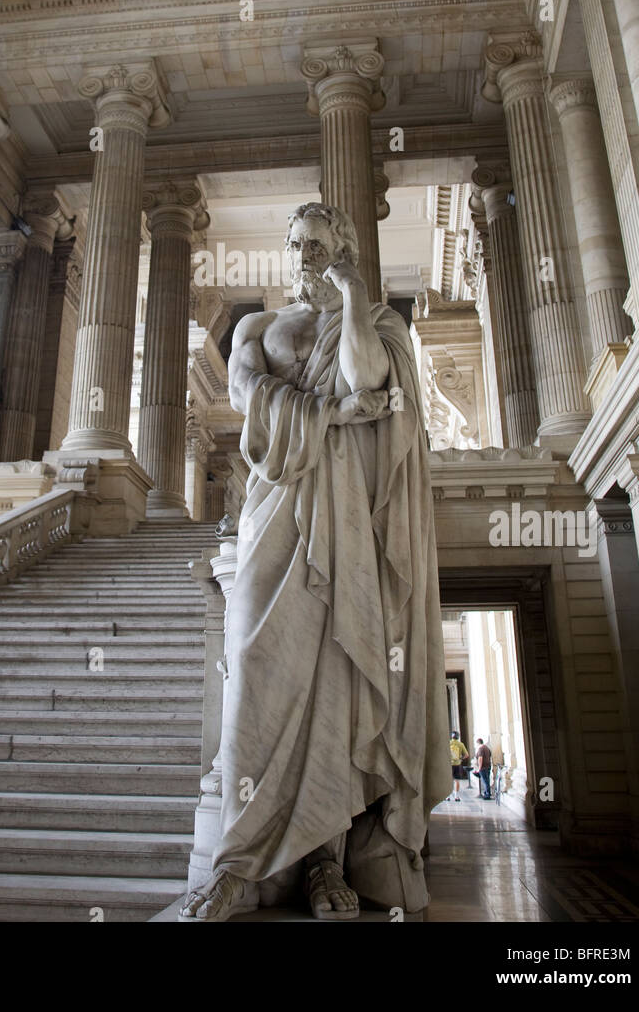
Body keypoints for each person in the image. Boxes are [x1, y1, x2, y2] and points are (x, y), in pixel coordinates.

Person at [180, 202, 449, 922]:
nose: (303, 256)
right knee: (256, 676)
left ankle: (325, 861)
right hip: (275, 520)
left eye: (319, 245)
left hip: (348, 527)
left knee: (339, 678)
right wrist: (331, 414)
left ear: (343, 249)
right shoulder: (258, 328)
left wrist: (358, 295)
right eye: (296, 243)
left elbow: (368, 379)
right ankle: (237, 864)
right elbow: (247, 400)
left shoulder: (377, 325)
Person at [449, 731, 469, 801]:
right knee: (457, 780)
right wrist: (461, 758)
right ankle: (456, 796)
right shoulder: (460, 744)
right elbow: (466, 755)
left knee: (449, 780)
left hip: (449, 764)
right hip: (457, 764)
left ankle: (448, 796)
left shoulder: (449, 743)